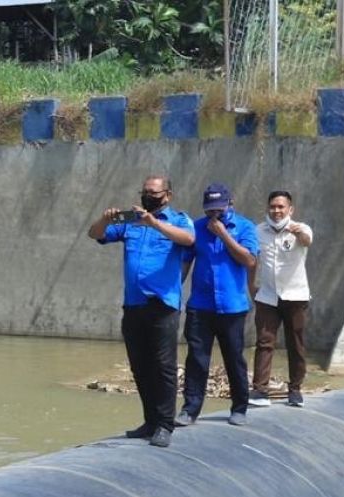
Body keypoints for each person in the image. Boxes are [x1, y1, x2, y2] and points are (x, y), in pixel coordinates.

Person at [88, 175, 195, 448]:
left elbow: (188, 239)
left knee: (164, 367)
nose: (149, 196)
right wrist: (106, 219)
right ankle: (149, 421)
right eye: (145, 192)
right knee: (140, 366)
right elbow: (96, 234)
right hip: (134, 305)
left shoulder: (179, 219)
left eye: (155, 193)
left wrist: (155, 223)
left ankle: (164, 424)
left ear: (167, 195)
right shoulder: (130, 222)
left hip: (163, 306)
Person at [177, 183, 259, 427]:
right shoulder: (196, 228)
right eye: (210, 210)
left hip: (232, 307)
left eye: (219, 210)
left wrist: (224, 234)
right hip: (200, 306)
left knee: (234, 358)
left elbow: (249, 260)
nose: (214, 215)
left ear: (229, 204)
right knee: (197, 360)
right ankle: (190, 410)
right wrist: (174, 292)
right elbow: (185, 262)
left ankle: (239, 407)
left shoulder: (244, 227)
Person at [249, 190, 314, 408]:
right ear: (268, 208)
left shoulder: (301, 229)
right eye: (273, 207)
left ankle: (294, 390)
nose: (276, 211)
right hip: (267, 295)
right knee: (264, 341)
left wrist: (298, 234)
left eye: (281, 207)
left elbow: (307, 241)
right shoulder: (258, 231)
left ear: (290, 209)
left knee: (296, 343)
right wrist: (251, 286)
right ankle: (260, 390)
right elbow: (252, 258)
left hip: (295, 296)